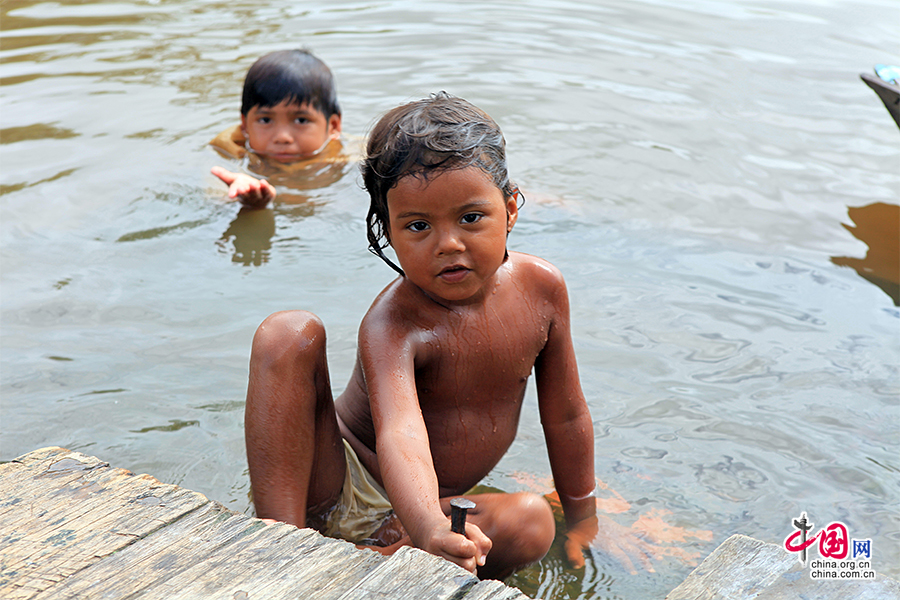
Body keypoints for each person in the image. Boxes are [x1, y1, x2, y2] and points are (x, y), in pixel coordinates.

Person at [244, 92, 601, 579]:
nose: (448, 244)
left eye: (471, 218)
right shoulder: (394, 322)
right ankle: (281, 551)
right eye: (417, 226)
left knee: (531, 522)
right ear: (389, 232)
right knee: (287, 333)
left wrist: (583, 518)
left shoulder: (543, 290)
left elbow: (566, 414)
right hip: (337, 483)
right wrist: (432, 527)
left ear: (511, 208)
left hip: (423, 509)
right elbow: (401, 432)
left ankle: (379, 560)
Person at [210, 49, 344, 208]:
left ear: (333, 126)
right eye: (265, 120)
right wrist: (243, 199)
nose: (282, 137)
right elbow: (214, 198)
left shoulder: (353, 158)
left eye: (301, 120)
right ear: (245, 126)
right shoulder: (228, 155)